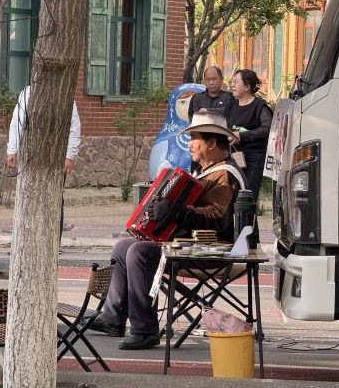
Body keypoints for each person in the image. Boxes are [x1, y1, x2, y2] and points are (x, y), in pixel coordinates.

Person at [88, 110, 245, 350]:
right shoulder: (207, 171)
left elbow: (216, 220)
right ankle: (113, 318)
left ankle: (145, 329)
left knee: (140, 252)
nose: (189, 144)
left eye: (194, 138)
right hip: (194, 246)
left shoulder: (225, 175)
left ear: (212, 143)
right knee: (123, 247)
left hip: (216, 251)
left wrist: (174, 212)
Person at [6, 84, 81, 240]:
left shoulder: (64, 92)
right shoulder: (26, 93)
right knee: (28, 197)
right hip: (30, 156)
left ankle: (54, 240)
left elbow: (74, 127)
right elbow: (16, 123)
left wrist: (69, 156)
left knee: (55, 199)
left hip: (56, 156)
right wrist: (12, 150)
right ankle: (28, 238)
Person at [226, 68, 273, 201]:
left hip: (254, 158)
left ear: (247, 86)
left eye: (236, 82)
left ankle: (248, 216)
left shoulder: (260, 106)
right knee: (232, 197)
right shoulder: (231, 106)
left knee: (247, 198)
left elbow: (267, 129)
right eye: (232, 82)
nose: (232, 85)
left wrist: (241, 136)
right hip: (234, 157)